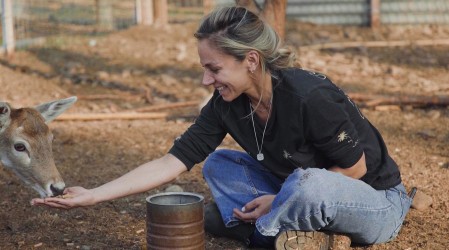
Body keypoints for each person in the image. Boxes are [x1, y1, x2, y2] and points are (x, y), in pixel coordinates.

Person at [32, 6, 413, 249]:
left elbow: (354, 170)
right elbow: (173, 161)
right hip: (302, 190)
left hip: (373, 200)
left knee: (307, 184)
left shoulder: (308, 96)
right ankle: (295, 230)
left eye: (213, 68)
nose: (205, 80)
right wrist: (95, 195)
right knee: (217, 164)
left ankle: (264, 234)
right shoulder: (227, 104)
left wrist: (281, 199)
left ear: (250, 60)